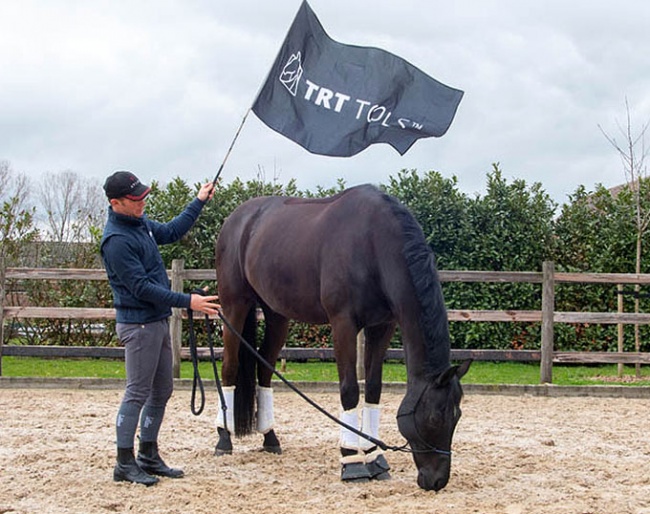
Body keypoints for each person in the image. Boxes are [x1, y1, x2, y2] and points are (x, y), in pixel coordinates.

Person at [100, 170, 220, 486]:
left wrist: (198, 201)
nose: (142, 202)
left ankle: (148, 454)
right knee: (137, 391)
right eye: (135, 199)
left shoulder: (139, 225)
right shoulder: (117, 241)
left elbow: (170, 231)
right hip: (138, 324)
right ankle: (124, 462)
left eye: (143, 196)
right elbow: (140, 287)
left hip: (154, 321)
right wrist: (187, 301)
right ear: (115, 203)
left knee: (162, 389)